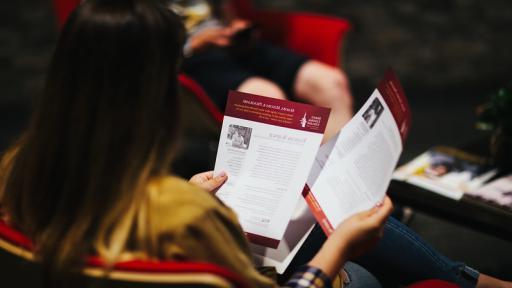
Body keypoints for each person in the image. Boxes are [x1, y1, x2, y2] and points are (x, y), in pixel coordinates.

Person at [0, 1, 509, 287]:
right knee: (357, 260)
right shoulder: (176, 213)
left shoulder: (17, 167)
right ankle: (470, 283)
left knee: (312, 218)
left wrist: (194, 196)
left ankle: (468, 281)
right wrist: (339, 250)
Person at [170, 0, 353, 142]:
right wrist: (192, 44)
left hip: (232, 43)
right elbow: (145, 37)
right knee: (268, 101)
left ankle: (340, 175)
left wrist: (234, 25)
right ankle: (306, 183)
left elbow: (224, 9)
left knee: (330, 82)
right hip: (189, 57)